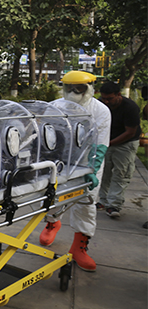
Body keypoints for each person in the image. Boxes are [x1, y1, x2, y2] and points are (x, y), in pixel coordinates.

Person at [39, 71, 111, 272]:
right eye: (69, 87)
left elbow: (100, 144)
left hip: (89, 161)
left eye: (78, 88)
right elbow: (47, 138)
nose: (73, 92)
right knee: (52, 196)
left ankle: (80, 246)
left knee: (86, 202)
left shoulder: (101, 111)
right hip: (60, 161)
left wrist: (92, 169)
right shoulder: (54, 106)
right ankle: (52, 223)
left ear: (90, 87)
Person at [96, 82, 142, 218]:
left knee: (121, 173)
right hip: (107, 141)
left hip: (126, 143)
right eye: (103, 98)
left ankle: (114, 204)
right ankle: (103, 201)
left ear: (118, 95)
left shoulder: (130, 108)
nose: (106, 101)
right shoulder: (101, 104)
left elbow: (130, 132)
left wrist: (109, 143)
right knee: (104, 172)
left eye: (109, 98)